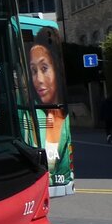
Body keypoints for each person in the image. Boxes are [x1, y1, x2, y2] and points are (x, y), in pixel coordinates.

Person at [28, 30, 72, 186]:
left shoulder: (66, 125)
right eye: (34, 71)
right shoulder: (30, 116)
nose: (38, 80)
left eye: (44, 68)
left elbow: (66, 176)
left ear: (58, 68)